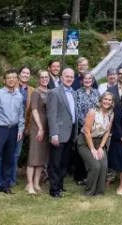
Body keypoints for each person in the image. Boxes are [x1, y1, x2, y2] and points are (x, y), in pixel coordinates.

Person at [0, 69, 24, 197]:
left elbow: (20, 114)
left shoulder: (19, 95)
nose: (11, 80)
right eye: (9, 78)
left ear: (17, 80)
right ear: (4, 80)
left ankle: (4, 186)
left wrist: (21, 129)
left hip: (13, 130)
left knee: (9, 160)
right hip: (0, 130)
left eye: (14, 77)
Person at [0, 65, 34, 189]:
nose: (25, 75)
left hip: (21, 126)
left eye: (27, 73)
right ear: (19, 74)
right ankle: (1, 180)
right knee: (5, 154)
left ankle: (11, 179)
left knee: (16, 154)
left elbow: (30, 112)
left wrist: (26, 128)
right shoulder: (11, 86)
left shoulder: (31, 90)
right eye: (23, 72)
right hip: (8, 125)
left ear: (30, 76)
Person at [47, 68, 78, 198]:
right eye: (67, 76)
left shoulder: (74, 93)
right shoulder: (54, 92)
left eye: (71, 77)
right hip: (59, 134)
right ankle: (54, 189)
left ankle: (60, 185)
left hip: (70, 133)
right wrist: (54, 134)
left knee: (64, 162)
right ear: (61, 77)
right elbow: (51, 115)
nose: (69, 78)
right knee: (55, 162)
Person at [77, 92, 115, 196]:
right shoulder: (93, 112)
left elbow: (107, 132)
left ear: (112, 102)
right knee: (95, 166)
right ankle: (89, 192)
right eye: (105, 99)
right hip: (85, 141)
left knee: (103, 166)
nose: (107, 101)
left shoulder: (111, 114)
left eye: (109, 100)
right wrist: (93, 149)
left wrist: (101, 147)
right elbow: (87, 131)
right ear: (101, 100)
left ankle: (99, 192)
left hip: (99, 142)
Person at [25, 70, 50, 194]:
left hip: (47, 128)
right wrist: (40, 128)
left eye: (46, 77)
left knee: (41, 156)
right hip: (37, 127)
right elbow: (34, 110)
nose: (45, 79)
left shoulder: (50, 92)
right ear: (38, 79)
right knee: (33, 155)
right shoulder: (36, 93)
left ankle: (36, 182)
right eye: (42, 77)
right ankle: (29, 184)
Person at [75, 71, 100, 185]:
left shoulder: (97, 93)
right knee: (81, 152)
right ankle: (79, 177)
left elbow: (99, 109)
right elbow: (77, 110)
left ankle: (90, 176)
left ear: (93, 80)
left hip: (95, 128)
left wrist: (94, 125)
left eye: (90, 79)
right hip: (82, 127)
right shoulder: (77, 93)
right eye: (85, 79)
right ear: (82, 81)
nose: (88, 81)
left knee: (92, 151)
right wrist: (86, 125)